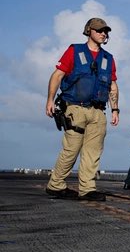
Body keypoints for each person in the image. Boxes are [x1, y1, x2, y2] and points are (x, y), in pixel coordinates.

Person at [44, 17, 121, 202]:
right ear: (89, 31)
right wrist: (50, 100)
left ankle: (87, 189)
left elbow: (113, 85)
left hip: (98, 111)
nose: (103, 34)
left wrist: (115, 109)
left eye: (106, 31)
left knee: (93, 152)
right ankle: (55, 185)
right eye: (99, 30)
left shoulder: (108, 58)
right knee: (71, 149)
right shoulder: (74, 51)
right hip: (75, 108)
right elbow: (57, 75)